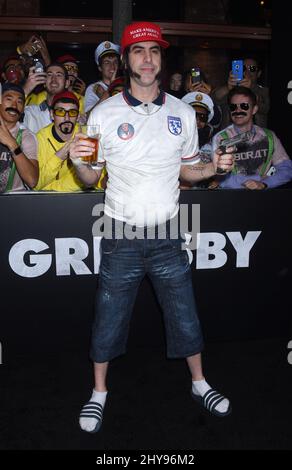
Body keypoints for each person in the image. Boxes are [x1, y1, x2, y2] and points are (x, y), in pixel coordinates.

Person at [69, 21, 233, 433]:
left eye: (154, 51)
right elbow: (90, 180)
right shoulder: (104, 113)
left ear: (161, 60)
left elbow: (187, 170)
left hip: (168, 232)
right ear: (126, 60)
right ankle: (99, 392)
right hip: (121, 231)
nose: (147, 58)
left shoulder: (181, 112)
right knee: (108, 316)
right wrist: (79, 163)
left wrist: (214, 166)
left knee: (185, 314)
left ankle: (200, 383)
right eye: (138, 51)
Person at [212, 86, 292, 189]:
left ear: (254, 109)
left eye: (244, 106)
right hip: (231, 199)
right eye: (233, 107)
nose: (238, 110)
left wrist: (264, 184)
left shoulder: (269, 136)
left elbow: (287, 169)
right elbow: (220, 177)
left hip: (264, 199)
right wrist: (259, 179)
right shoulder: (221, 138)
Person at [34, 90, 106, 191]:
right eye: (60, 111)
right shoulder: (39, 138)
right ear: (51, 115)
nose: (66, 117)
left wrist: (52, 188)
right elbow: (36, 184)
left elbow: (97, 180)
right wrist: (58, 157)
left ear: (77, 117)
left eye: (72, 112)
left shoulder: (87, 135)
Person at [212, 56, 270, 129]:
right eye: (243, 68)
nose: (247, 72)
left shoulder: (264, 91)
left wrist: (251, 88)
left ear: (258, 73)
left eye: (252, 68)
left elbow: (265, 108)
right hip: (230, 137)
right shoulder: (231, 90)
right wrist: (228, 88)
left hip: (256, 137)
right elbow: (214, 99)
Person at [0, 83, 38, 192]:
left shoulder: (26, 136)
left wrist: (12, 143)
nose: (14, 106)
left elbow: (32, 181)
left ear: (23, 109)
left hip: (13, 202)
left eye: (19, 102)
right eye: (9, 99)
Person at [23, 62, 70, 133]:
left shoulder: (72, 115)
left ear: (67, 83)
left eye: (59, 75)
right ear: (44, 83)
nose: (54, 79)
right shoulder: (31, 113)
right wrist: (26, 89)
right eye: (49, 75)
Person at [84, 40, 120, 113]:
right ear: (100, 67)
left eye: (115, 62)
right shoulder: (93, 88)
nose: (112, 66)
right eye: (107, 62)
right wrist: (107, 93)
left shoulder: (126, 85)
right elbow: (88, 116)